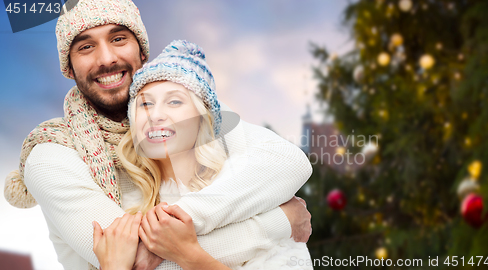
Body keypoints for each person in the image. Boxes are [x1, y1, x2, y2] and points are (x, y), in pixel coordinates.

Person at [3, 0, 312, 269]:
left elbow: (288, 162)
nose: (107, 58)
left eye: (119, 38)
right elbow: (139, 260)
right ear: (69, 67)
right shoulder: (52, 155)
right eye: (86, 46)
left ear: (142, 51)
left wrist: (178, 224)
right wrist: (280, 221)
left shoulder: (188, 110)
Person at [92, 40, 313, 270]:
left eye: (174, 101)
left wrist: (184, 252)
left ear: (202, 120)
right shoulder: (123, 208)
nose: (155, 115)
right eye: (145, 104)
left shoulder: (247, 190)